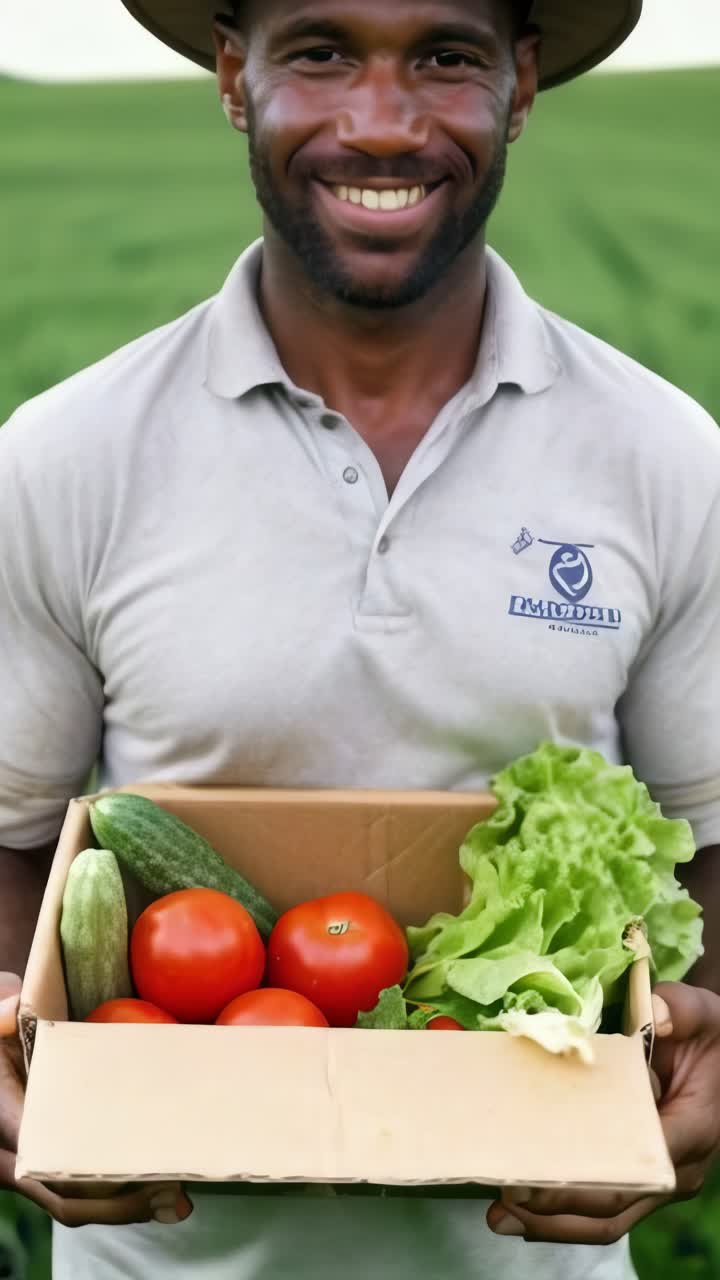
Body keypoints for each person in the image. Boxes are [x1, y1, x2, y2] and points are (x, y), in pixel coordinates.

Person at [1, 0, 719, 1276]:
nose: (382, 125)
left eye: (445, 56)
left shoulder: (668, 460)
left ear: (522, 85)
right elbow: (12, 847)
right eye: (321, 52)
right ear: (236, 77)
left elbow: (709, 836)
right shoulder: (64, 460)